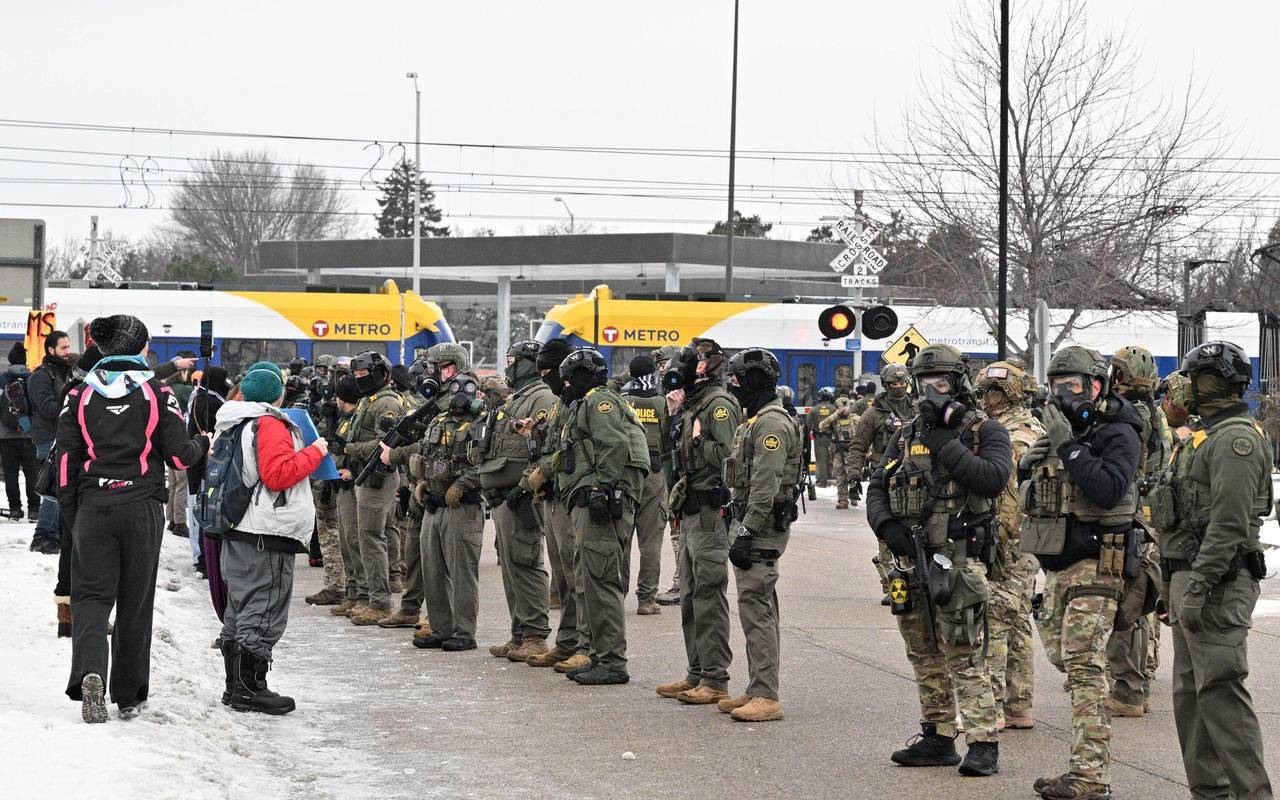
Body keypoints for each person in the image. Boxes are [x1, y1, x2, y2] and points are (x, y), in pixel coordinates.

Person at [865, 344, 1011, 777]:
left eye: (941, 384)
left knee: (963, 652)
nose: (931, 392)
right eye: (924, 384)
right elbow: (879, 482)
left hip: (958, 559)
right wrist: (886, 527)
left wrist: (945, 440)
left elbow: (991, 478)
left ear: (959, 384)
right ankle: (938, 736)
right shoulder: (905, 431)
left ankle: (983, 742)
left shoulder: (984, 430)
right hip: (910, 559)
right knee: (923, 652)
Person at [57, 314, 209, 723]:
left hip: (93, 505)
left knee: (90, 598)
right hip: (141, 506)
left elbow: (66, 464)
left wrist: (75, 516)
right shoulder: (158, 393)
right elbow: (178, 456)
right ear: (139, 347)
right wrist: (202, 441)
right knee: (134, 601)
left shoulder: (78, 395)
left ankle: (90, 672)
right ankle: (128, 694)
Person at [1019, 345, 1142, 800]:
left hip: (1097, 563)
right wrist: (1035, 458)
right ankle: (1087, 765)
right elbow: (1026, 482)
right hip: (1057, 565)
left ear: (1096, 386)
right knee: (1067, 661)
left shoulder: (1120, 431)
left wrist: (1068, 445)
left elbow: (1108, 489)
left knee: (1086, 668)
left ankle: (1090, 776)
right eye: (1056, 386)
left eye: (1072, 386)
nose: (1063, 395)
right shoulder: (1057, 432)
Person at [1155, 341, 1273, 800]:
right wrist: (1172, 587)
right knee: (1190, 694)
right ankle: (1209, 792)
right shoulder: (1202, 436)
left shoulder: (1235, 440)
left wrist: (1199, 586)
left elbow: (1229, 523)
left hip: (1218, 582)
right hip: (1192, 578)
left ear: (1211, 382)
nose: (1180, 386)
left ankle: (1251, 794)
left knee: (1221, 693)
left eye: (1190, 376)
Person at [213, 363, 325, 715]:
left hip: (240, 527)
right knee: (262, 609)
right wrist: (316, 451)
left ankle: (234, 686)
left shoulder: (232, 421)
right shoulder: (270, 423)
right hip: (267, 531)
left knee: (240, 608)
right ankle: (250, 687)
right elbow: (278, 475)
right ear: (278, 394)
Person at [554, 347, 649, 685]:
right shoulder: (587, 402)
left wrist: (600, 488)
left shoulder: (599, 401)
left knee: (601, 580)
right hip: (591, 501)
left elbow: (614, 444)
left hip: (603, 503)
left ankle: (612, 661)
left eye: (568, 379)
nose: (564, 385)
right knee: (591, 581)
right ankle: (599, 656)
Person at [718, 348, 803, 722]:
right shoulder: (755, 421)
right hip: (752, 523)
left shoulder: (771, 425)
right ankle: (757, 688)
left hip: (762, 528)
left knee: (757, 609)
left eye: (737, 380)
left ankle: (766, 695)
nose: (733, 387)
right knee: (757, 607)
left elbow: (765, 486)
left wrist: (747, 531)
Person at [383, 343, 485, 652]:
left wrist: (463, 485)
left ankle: (464, 631)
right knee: (433, 571)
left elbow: (486, 461)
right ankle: (441, 627)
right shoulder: (439, 418)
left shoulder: (481, 417)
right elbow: (427, 454)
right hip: (433, 504)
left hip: (461, 506)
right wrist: (422, 483)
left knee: (461, 573)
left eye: (439, 368)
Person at [657, 339, 742, 705]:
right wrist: (676, 418)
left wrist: (700, 440)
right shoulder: (693, 404)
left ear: (709, 366)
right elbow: (673, 456)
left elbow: (728, 459)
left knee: (708, 593)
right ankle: (697, 672)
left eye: (697, 360)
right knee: (690, 596)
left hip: (710, 511)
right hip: (690, 510)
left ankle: (715, 678)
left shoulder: (718, 405)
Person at [1102, 345, 1171, 718]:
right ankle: (1134, 681)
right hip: (1147, 515)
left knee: (1126, 604)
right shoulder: (1151, 411)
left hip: (1135, 518)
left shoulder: (1133, 414)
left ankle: (1129, 688)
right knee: (1138, 603)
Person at [975, 360, 1044, 731]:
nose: (984, 399)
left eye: (991, 392)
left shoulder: (1013, 435)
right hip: (1027, 540)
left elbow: (1011, 496)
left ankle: (993, 707)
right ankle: (1020, 705)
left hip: (1009, 539)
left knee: (995, 620)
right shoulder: (1030, 428)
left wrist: (999, 539)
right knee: (1017, 621)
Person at [478, 341, 555, 662]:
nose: (508, 366)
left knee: (527, 562)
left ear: (528, 363)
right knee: (511, 568)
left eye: (512, 360)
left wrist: (524, 487)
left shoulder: (542, 398)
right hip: (502, 498)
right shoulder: (518, 398)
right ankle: (519, 633)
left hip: (522, 497)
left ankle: (536, 636)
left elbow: (546, 446)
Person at [521, 338, 583, 668]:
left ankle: (583, 644)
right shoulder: (561, 404)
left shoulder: (581, 403)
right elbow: (555, 441)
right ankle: (568, 641)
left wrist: (544, 468)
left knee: (577, 577)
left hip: (570, 499)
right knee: (561, 579)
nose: (544, 377)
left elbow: (575, 450)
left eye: (548, 371)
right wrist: (534, 432)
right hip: (553, 497)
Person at [335, 351, 406, 626]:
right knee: (363, 537)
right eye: (357, 376)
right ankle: (366, 596)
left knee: (371, 537)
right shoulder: (370, 400)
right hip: (364, 475)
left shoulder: (387, 402)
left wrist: (350, 449)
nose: (360, 380)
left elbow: (385, 443)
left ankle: (379, 601)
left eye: (365, 375)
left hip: (378, 476)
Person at [848, 363, 915, 602]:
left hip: (916, 479)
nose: (899, 388)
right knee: (887, 533)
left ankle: (916, 581)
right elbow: (858, 447)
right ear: (885, 386)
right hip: (885, 480)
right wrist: (853, 476)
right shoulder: (872, 414)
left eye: (902, 383)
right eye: (894, 384)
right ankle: (892, 586)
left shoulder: (918, 409)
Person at [620, 354, 669, 615]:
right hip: (654, 475)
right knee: (651, 541)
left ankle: (617, 594)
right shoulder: (663, 404)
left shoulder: (622, 402)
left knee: (622, 538)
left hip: (625, 474)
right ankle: (647, 599)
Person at [27, 330, 75, 554]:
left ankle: (54, 533)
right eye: (64, 348)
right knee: (51, 486)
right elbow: (47, 408)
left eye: (68, 347)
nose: (68, 351)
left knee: (60, 486)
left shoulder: (64, 373)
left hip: (61, 437)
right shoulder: (41, 376)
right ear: (51, 350)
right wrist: (71, 403)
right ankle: (43, 535)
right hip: (47, 438)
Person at [329, 376, 368, 618]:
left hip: (354, 485)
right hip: (341, 486)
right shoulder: (345, 420)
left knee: (355, 541)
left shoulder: (359, 421)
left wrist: (351, 470)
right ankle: (352, 593)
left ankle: (363, 594)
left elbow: (365, 450)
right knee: (346, 543)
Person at [186, 366, 230, 576]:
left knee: (202, 509)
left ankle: (203, 558)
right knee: (206, 511)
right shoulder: (210, 403)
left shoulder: (199, 398)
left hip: (199, 464)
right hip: (207, 466)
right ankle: (205, 560)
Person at [653, 344, 684, 606]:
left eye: (662, 364)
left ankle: (681, 584)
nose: (660, 370)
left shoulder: (679, 395)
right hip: (667, 467)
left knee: (678, 529)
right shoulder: (667, 394)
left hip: (677, 469)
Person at [0, 341, 39, 522]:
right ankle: (34, 510)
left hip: (6, 434)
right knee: (32, 471)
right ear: (24, 360)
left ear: (10, 361)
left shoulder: (1, 380)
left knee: (11, 473)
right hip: (29, 433)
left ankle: (15, 509)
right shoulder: (33, 378)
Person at [818, 395, 859, 509]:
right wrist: (835, 415)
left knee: (853, 473)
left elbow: (864, 434)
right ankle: (843, 500)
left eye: (845, 407)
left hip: (853, 450)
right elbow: (822, 426)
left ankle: (854, 495)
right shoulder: (834, 420)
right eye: (841, 407)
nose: (844, 410)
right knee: (840, 474)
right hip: (838, 450)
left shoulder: (856, 418)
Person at [806, 387, 836, 487]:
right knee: (831, 458)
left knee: (820, 459)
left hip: (819, 437)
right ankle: (831, 479)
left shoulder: (814, 409)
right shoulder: (833, 408)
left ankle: (822, 481)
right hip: (831, 437)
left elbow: (807, 423)